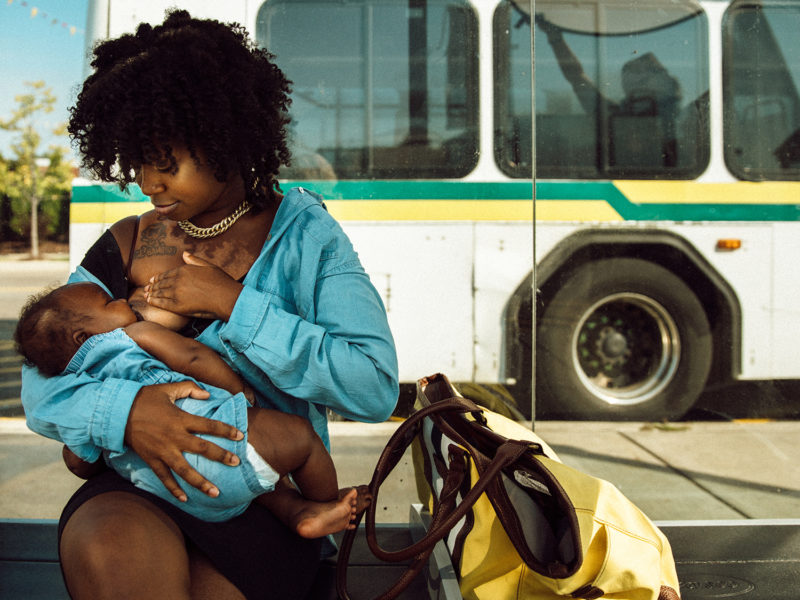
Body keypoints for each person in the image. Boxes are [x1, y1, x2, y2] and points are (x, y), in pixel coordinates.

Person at [20, 9, 398, 600]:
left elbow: (372, 385)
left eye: (164, 161)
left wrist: (235, 305)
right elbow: (41, 378)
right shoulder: (128, 240)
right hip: (137, 483)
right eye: (135, 161)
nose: (147, 182)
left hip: (259, 491)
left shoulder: (306, 239)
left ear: (225, 136)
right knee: (112, 550)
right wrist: (127, 413)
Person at [15, 281, 366, 536]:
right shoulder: (131, 335)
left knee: (258, 487)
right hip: (216, 443)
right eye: (110, 302)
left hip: (169, 488)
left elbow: (79, 462)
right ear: (83, 336)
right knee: (301, 439)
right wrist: (238, 392)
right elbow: (192, 356)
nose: (122, 298)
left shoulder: (82, 385)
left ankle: (296, 513)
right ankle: (325, 504)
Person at [535, 14, 682, 167]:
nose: (641, 80)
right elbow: (577, 77)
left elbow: (576, 77)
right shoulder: (611, 114)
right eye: (634, 75)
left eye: (649, 74)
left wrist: (555, 38)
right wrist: (555, 38)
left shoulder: (686, 121)